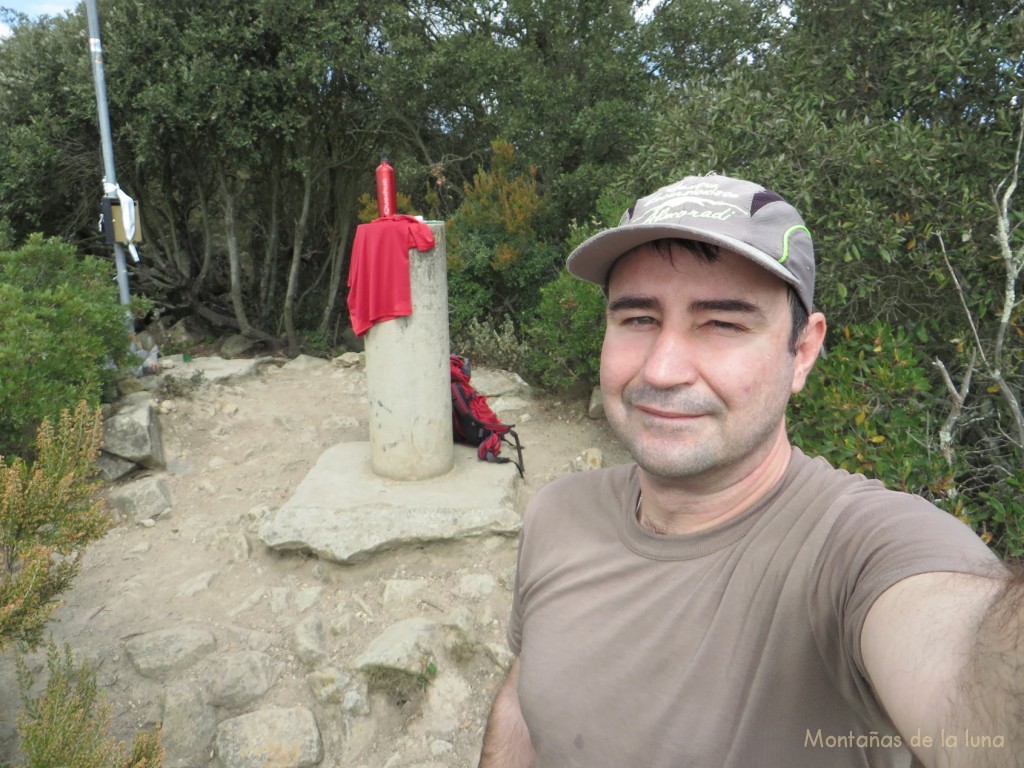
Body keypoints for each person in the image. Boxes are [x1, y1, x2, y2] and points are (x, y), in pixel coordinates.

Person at [477, 173, 1022, 768]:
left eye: (723, 323)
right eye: (637, 318)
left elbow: (973, 666)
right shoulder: (557, 512)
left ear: (803, 352)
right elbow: (524, 702)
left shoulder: (858, 552)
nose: (661, 369)